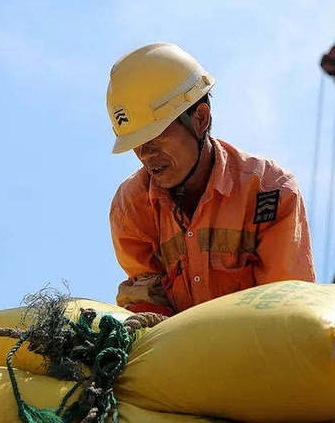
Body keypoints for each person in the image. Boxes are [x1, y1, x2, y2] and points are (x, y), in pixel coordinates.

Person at [106, 42, 315, 316]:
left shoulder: (269, 191)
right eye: (137, 143)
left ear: (200, 118)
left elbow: (285, 311)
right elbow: (148, 309)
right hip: (177, 344)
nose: (145, 154)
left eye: (155, 137)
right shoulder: (131, 208)